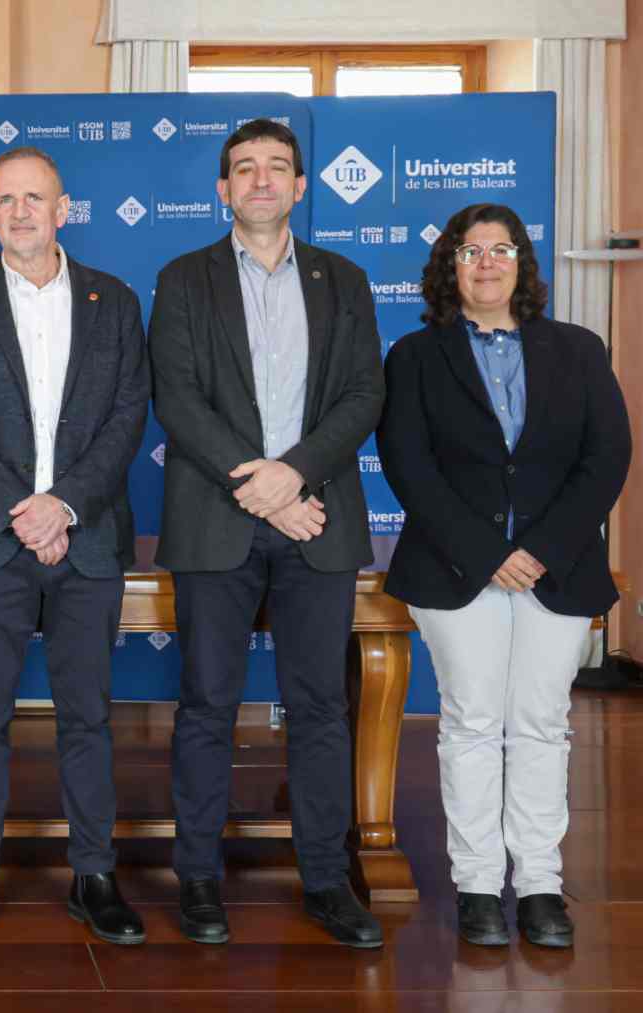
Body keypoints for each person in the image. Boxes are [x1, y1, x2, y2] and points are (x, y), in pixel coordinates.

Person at [148, 118, 386, 948]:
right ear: (222, 189)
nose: (259, 180)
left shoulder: (344, 278)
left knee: (320, 706)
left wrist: (296, 477)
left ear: (299, 186)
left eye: (276, 168)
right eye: (243, 169)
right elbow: (177, 400)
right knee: (207, 704)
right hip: (220, 518)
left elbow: (363, 394)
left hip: (316, 517)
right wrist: (263, 486)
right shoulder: (183, 279)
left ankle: (326, 878)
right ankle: (200, 878)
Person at [377, 203, 631, 949]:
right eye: (470, 251)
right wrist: (489, 553)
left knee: (542, 725)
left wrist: (542, 547)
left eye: (501, 249)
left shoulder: (579, 350)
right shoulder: (416, 358)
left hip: (559, 568)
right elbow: (408, 466)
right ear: (448, 267)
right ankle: (480, 884)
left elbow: (606, 457)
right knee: (473, 723)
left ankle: (541, 886)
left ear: (522, 263)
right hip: (458, 571)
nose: (486, 263)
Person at [0, 147, 151, 948]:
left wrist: (65, 506)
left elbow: (129, 417)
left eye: (35, 198)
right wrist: (22, 509)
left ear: (64, 210)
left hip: (85, 543)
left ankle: (95, 875)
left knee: (87, 716)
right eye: (5, 200)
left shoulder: (114, 301)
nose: (20, 212)